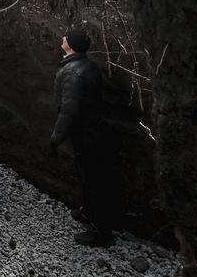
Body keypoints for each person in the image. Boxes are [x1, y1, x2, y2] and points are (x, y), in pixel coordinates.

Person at [50, 24, 116, 247]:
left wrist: (56, 138)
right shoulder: (88, 66)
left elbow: (69, 110)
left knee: (92, 182)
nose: (63, 38)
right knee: (93, 179)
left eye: (66, 37)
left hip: (86, 136)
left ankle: (101, 233)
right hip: (94, 132)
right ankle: (88, 212)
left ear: (71, 44)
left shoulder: (72, 72)